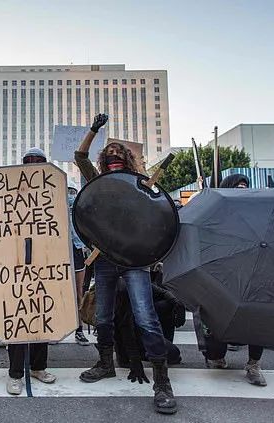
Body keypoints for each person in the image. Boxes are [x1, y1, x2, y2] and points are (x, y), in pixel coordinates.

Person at [74, 114, 177, 414]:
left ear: (128, 160)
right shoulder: (96, 182)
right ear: (104, 161)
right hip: (105, 259)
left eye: (120, 154)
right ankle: (105, 363)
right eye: (110, 154)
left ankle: (161, 381)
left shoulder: (143, 186)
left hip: (135, 260)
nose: (115, 157)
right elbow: (80, 156)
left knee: (146, 317)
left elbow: (158, 221)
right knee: (103, 316)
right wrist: (94, 130)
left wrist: (154, 254)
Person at [198, 174, 267, 386]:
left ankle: (254, 364)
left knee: (259, 318)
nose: (242, 190)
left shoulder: (256, 215)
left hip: (253, 275)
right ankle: (216, 356)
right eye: (237, 187)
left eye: (245, 187)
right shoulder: (217, 215)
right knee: (216, 325)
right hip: (224, 276)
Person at [6, 148, 57, 395]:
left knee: (41, 315)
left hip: (44, 264)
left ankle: (38, 366)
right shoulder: (10, 193)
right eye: (29, 162)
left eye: (38, 162)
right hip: (14, 265)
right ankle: (15, 373)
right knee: (17, 317)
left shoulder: (54, 193)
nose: (34, 166)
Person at [67, 181, 90, 346]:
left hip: (76, 249)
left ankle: (79, 329)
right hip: (57, 248)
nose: (70, 195)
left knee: (78, 291)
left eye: (72, 192)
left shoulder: (78, 209)